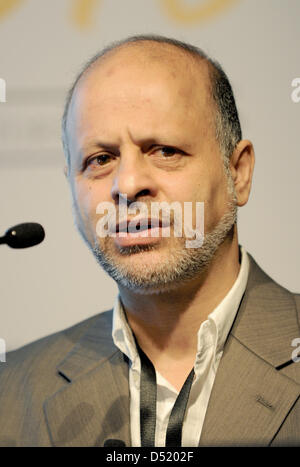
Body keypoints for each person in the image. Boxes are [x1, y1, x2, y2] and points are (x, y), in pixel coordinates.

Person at [0, 34, 299, 448]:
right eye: (100, 160)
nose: (129, 184)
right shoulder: (11, 392)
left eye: (164, 150)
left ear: (239, 173)